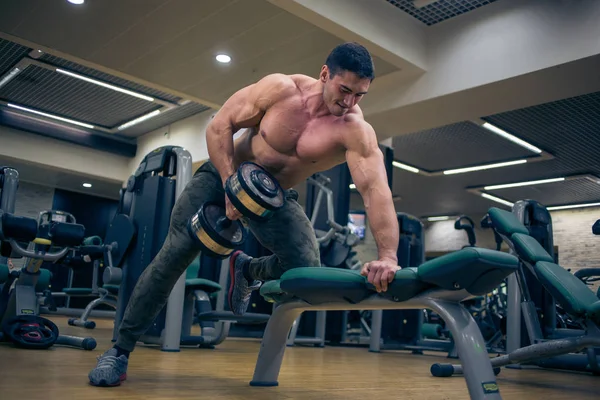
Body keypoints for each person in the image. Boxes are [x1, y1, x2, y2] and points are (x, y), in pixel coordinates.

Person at [88, 42, 400, 387]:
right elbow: (219, 125)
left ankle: (249, 268)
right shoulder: (281, 90)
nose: (350, 102)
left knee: (305, 268)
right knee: (174, 254)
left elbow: (375, 191)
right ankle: (119, 350)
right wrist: (229, 184)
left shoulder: (355, 130)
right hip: (225, 174)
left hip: (275, 196)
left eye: (360, 95)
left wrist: (388, 255)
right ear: (324, 74)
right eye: (345, 90)